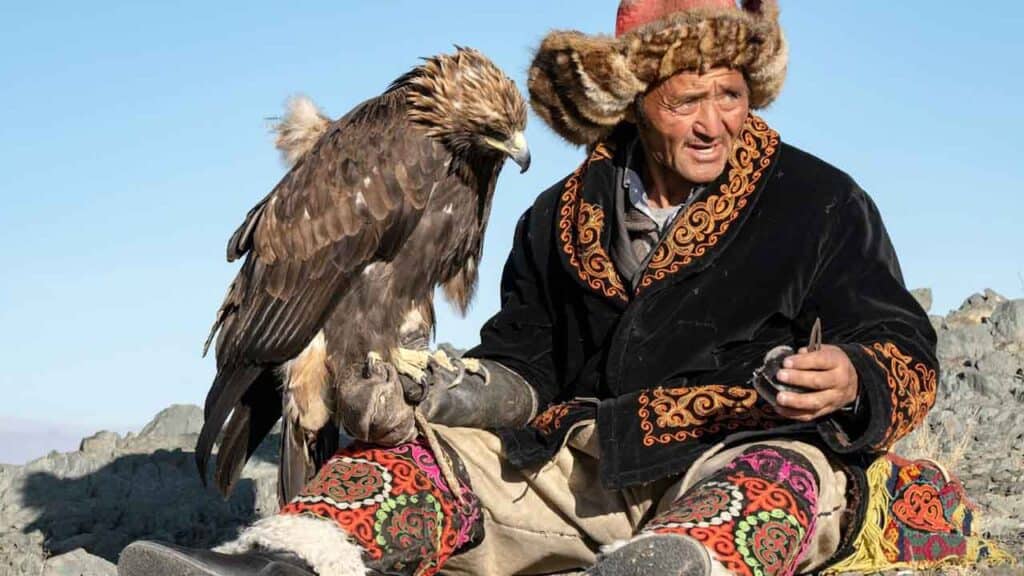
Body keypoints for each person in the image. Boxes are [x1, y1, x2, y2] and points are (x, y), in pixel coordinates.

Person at [118, 1, 1009, 575]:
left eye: (732, 96)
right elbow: (523, 362)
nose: (713, 124)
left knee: (765, 493)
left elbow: (903, 345)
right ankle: (282, 563)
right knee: (411, 461)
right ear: (635, 102)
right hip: (579, 469)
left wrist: (855, 375)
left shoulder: (819, 201)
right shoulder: (556, 214)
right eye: (686, 99)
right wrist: (458, 388)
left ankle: (663, 569)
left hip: (743, 451)